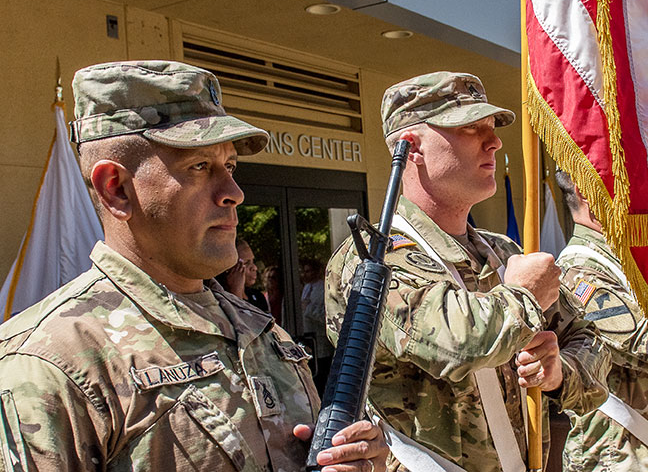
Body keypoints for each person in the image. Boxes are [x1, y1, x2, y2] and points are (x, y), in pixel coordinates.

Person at [0, 61, 387, 471]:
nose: (234, 193)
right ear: (115, 188)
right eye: (200, 166)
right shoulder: (51, 363)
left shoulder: (260, 330)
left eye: (231, 166)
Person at [324, 71, 611, 471]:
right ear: (412, 148)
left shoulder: (502, 252)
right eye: (471, 128)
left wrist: (559, 371)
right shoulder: (373, 258)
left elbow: (590, 338)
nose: (493, 141)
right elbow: (455, 344)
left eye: (491, 128)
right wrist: (525, 297)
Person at [555, 170, 648, 471]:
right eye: (625, 180)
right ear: (586, 191)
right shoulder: (579, 272)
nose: (638, 188)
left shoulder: (627, 262)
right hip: (616, 454)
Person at [300, 258, 333, 394]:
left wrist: (309, 308)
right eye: (304, 272)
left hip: (321, 342)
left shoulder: (322, 287)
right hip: (308, 341)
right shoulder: (306, 287)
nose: (305, 275)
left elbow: (326, 315)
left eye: (308, 271)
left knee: (321, 377)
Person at [217, 239, 269, 313]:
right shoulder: (219, 298)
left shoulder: (258, 297)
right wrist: (236, 291)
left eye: (253, 261)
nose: (254, 267)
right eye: (246, 263)